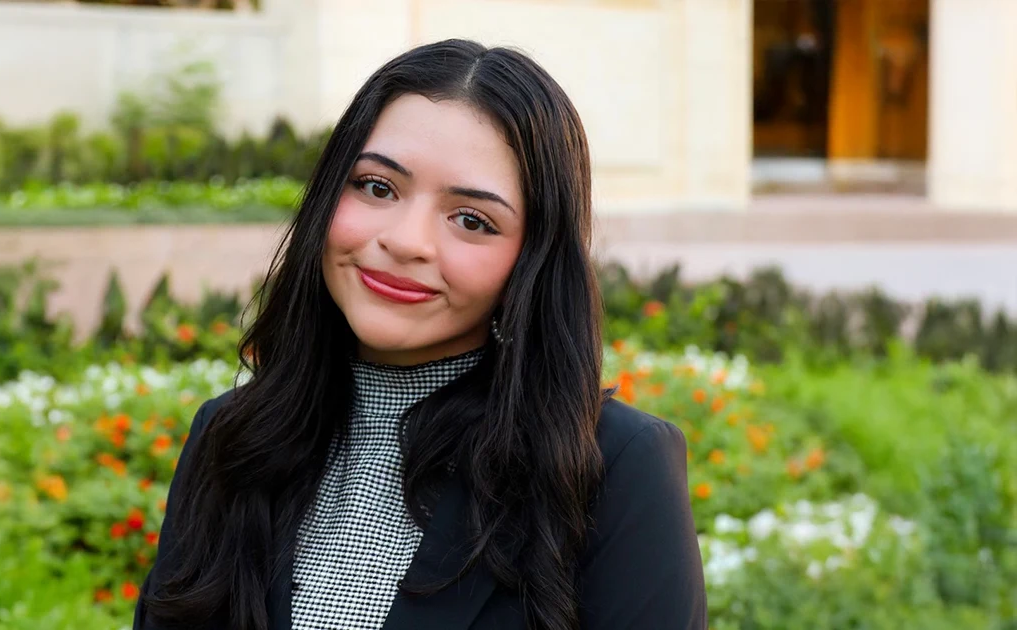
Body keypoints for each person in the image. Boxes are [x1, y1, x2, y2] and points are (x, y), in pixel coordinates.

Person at [133, 38, 706, 630]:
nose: (406, 241)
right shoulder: (230, 438)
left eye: (472, 220)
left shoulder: (611, 468)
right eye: (377, 187)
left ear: (530, 261)